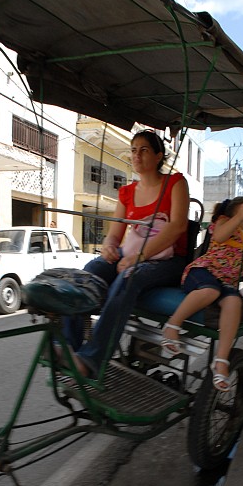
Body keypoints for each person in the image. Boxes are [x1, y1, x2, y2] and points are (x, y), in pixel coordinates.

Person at [61, 129, 190, 378]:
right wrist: (108, 247)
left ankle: (92, 360)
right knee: (89, 272)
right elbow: (115, 233)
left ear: (158, 156)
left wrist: (138, 257)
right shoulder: (127, 192)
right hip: (130, 254)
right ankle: (68, 346)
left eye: (143, 150)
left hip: (168, 259)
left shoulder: (175, 183)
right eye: (133, 150)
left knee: (128, 277)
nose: (136, 155)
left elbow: (178, 227)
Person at [161, 196, 243, 392]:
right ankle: (172, 325)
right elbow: (218, 237)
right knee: (210, 290)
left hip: (228, 282)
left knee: (234, 302)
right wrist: (238, 218)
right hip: (203, 272)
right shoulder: (224, 222)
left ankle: (221, 360)